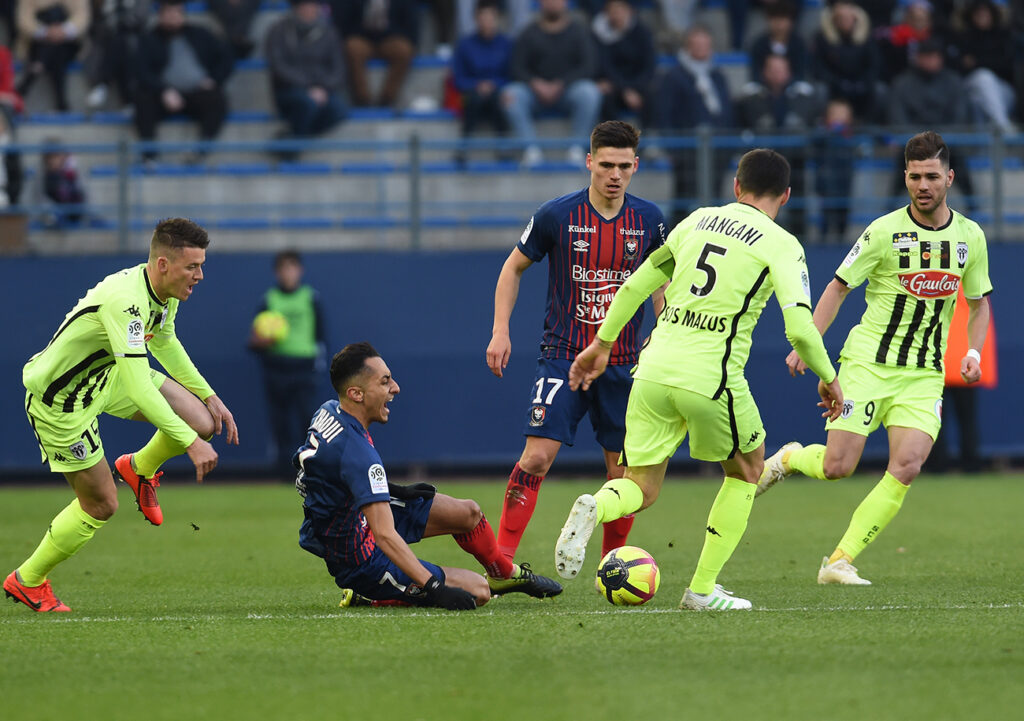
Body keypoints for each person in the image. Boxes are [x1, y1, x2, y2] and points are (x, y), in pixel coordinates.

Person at [554, 148, 843, 611]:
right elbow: (800, 329)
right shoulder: (782, 243)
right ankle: (703, 590)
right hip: (711, 376)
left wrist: (603, 344)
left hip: (651, 370)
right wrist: (829, 376)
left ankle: (597, 504)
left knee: (640, 487)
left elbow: (634, 286)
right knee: (748, 471)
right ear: (786, 196)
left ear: (736, 186)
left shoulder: (696, 220)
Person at [758, 131, 993, 586]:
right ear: (904, 177)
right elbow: (838, 286)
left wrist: (972, 351)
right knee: (836, 467)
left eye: (931, 176)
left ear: (950, 177)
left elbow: (980, 302)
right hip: (868, 364)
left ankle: (839, 560)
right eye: (913, 176)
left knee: (906, 465)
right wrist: (808, 342)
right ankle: (788, 459)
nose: (922, 185)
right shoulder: (883, 231)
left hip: (924, 373)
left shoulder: (970, 236)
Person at [4, 218, 239, 613]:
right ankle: (27, 580)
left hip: (106, 376)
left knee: (203, 420)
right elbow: (139, 387)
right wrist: (189, 444)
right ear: (163, 264)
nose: (200, 275)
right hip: (62, 400)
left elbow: (165, 342)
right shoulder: (125, 301)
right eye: (192, 267)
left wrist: (208, 395)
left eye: (201, 265)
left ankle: (139, 467)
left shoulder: (165, 294)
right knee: (101, 505)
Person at [485, 120, 667, 565]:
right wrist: (500, 330)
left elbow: (662, 284)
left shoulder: (650, 220)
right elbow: (513, 268)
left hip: (623, 363)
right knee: (536, 458)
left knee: (620, 472)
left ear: (636, 166)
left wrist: (661, 335)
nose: (615, 175)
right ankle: (502, 560)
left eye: (624, 166)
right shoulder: (557, 215)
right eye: (606, 164)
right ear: (589, 161)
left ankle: (614, 564)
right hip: (562, 357)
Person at [297, 342, 562, 609]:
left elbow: (320, 469)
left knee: (468, 512)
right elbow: (385, 536)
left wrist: (389, 489)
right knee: (478, 592)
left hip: (358, 517)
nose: (395, 388)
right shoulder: (359, 455)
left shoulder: (329, 410)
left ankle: (504, 574)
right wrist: (434, 588)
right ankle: (369, 595)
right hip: (360, 558)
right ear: (356, 393)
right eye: (385, 381)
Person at [250, 250, 327, 479]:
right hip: (277, 368)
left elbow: (320, 334)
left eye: (292, 268)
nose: (288, 273)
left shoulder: (310, 297)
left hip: (304, 367)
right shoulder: (269, 299)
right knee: (280, 423)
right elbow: (253, 340)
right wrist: (260, 342)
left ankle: (311, 469)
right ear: (277, 272)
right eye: (284, 269)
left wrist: (317, 363)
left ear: (300, 270)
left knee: (308, 420)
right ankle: (283, 472)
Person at [650, 24, 734, 224]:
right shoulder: (673, 76)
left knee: (714, 198)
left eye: (705, 45)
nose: (702, 49)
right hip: (687, 149)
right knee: (684, 196)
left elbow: (728, 111)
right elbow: (664, 114)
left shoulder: (717, 75)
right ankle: (676, 241)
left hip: (718, 149)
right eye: (697, 45)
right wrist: (672, 147)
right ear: (688, 46)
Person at [501, 0, 601, 167]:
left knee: (590, 92)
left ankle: (576, 148)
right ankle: (530, 149)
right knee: (511, 94)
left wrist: (562, 83)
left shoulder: (579, 31)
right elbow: (517, 68)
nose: (552, 4)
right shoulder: (528, 32)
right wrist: (535, 83)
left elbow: (589, 66)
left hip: (568, 91)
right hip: (535, 93)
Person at [134, 0, 233, 162]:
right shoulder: (149, 39)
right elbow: (141, 71)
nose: (174, 16)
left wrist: (214, 79)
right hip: (163, 95)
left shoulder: (200, 35)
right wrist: (163, 90)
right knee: (142, 98)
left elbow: (226, 58)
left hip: (196, 93)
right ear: (161, 15)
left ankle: (201, 149)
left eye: (178, 12)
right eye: (169, 12)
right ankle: (149, 154)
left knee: (217, 99)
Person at [265, 0, 348, 145]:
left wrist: (322, 87)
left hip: (322, 90)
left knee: (340, 110)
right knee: (306, 104)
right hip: (290, 89)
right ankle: (292, 147)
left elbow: (338, 69)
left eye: (312, 5)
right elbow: (278, 66)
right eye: (305, 5)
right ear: (296, 8)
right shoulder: (279, 31)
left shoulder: (329, 33)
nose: (309, 9)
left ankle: (293, 139)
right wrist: (307, 87)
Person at [451, 0, 511, 162]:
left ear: (497, 18)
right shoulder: (464, 45)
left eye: (490, 17)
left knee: (501, 100)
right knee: (474, 100)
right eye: (483, 17)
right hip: (472, 94)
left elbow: (511, 75)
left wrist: (495, 85)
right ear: (476, 19)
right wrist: (476, 85)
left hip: (497, 92)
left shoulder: (506, 44)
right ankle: (464, 146)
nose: (487, 22)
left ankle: (504, 146)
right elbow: (458, 79)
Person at [330, 0, 419, 108]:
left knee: (404, 49)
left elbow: (411, 24)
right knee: (352, 47)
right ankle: (362, 98)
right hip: (362, 37)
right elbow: (344, 23)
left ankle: (387, 98)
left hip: (390, 38)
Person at [811, 0, 881, 121]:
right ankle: (820, 125)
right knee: (820, 90)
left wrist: (863, 82)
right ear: (834, 19)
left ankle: (871, 125)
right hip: (834, 86)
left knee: (880, 90)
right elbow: (819, 67)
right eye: (841, 18)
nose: (845, 21)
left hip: (862, 85)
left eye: (848, 18)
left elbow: (875, 65)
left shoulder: (867, 38)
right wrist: (837, 83)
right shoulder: (822, 38)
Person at [15, 0, 90, 111]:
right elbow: (24, 19)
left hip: (68, 42)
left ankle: (32, 74)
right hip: (38, 42)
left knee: (56, 48)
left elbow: (82, 17)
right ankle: (61, 101)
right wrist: (45, 31)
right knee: (55, 50)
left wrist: (63, 30)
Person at [592, 0, 656, 122]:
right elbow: (605, 66)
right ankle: (613, 138)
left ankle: (652, 137)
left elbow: (649, 67)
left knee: (653, 95)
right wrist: (625, 90)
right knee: (605, 97)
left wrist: (633, 88)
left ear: (630, 11)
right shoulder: (598, 35)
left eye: (621, 10)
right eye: (613, 11)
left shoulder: (643, 33)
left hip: (638, 83)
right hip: (614, 84)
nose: (617, 14)